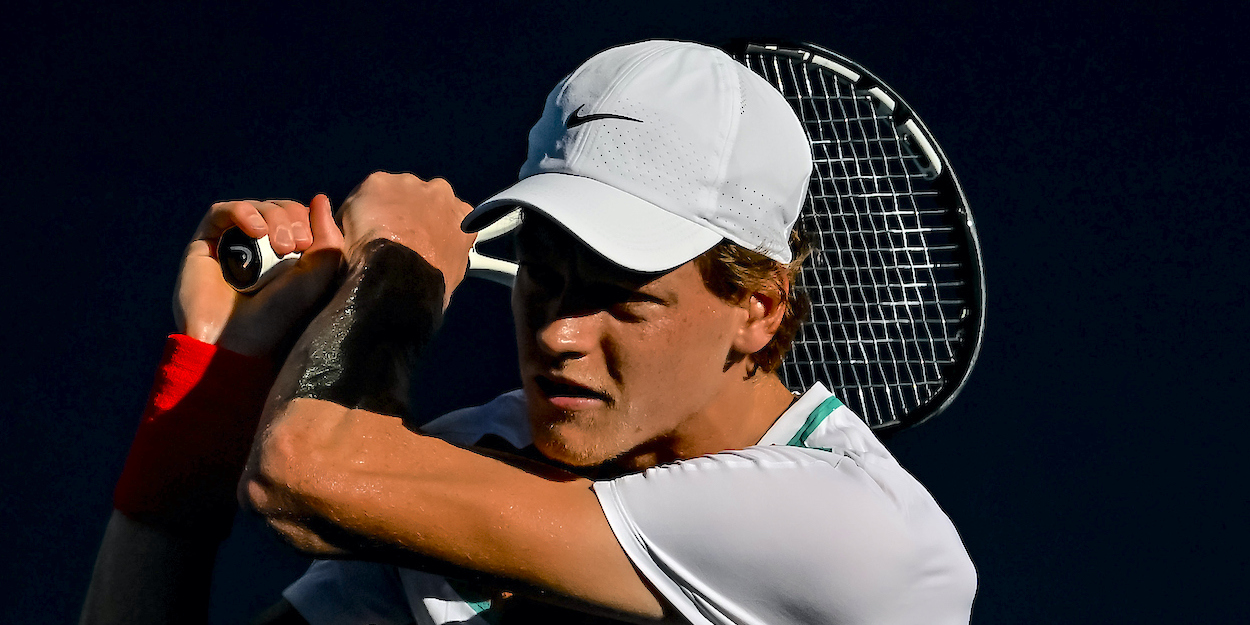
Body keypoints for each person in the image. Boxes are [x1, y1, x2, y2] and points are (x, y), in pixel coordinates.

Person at [82, 40, 977, 625]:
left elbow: (304, 473)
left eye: (624, 294)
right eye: (546, 273)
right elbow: (308, 479)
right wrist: (216, 369)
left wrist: (401, 269)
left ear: (760, 307)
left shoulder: (860, 535)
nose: (559, 334)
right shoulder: (482, 452)